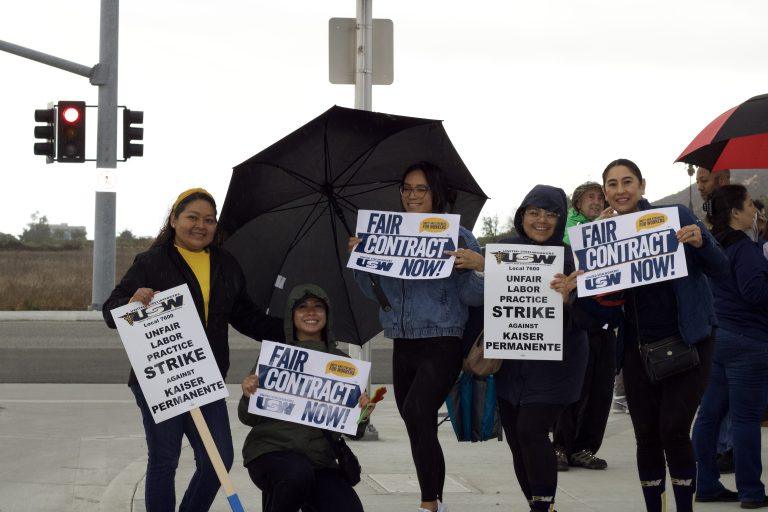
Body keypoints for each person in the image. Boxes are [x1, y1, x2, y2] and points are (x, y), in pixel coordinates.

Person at [102, 188, 283, 512]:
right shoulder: (151, 262)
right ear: (174, 220)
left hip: (205, 379)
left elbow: (247, 317)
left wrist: (293, 329)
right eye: (192, 217)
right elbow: (111, 312)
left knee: (219, 460)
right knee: (165, 459)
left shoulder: (226, 264)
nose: (201, 226)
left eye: (209, 220)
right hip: (160, 380)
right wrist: (130, 302)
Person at [349, 161, 485, 512]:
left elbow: (473, 297)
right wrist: (361, 260)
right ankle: (434, 500)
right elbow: (373, 292)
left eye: (420, 188)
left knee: (417, 410)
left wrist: (477, 267)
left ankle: (428, 503)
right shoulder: (387, 237)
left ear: (435, 192)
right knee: (416, 422)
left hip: (443, 339)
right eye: (407, 189)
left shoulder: (458, 236)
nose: (412, 195)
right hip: (402, 340)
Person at [597, 159, 728, 512]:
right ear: (605, 191)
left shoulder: (676, 216)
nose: (621, 190)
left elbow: (721, 268)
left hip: (689, 341)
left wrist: (700, 243)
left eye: (627, 181)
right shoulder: (602, 236)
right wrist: (583, 279)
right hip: (637, 349)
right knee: (646, 436)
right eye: (612, 184)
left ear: (642, 185)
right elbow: (599, 307)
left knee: (673, 430)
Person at [239, 284, 373, 512]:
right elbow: (247, 418)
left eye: (318, 306)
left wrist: (362, 414)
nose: (311, 312)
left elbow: (354, 432)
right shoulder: (275, 356)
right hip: (270, 451)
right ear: (291, 315)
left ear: (327, 315)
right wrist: (248, 394)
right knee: (297, 474)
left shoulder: (344, 364)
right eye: (302, 307)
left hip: (320, 461)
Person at [495, 184, 588, 511]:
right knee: (518, 441)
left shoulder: (572, 258)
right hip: (512, 366)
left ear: (561, 220)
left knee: (531, 431)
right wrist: (480, 268)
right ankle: (541, 506)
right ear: (522, 216)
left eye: (551, 214)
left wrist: (569, 299)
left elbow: (591, 317)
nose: (542, 220)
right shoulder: (501, 252)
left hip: (558, 366)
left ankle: (542, 506)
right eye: (534, 212)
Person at [692, 184, 768, 508]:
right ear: (736, 212)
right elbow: (755, 292)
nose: (756, 211)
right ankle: (751, 491)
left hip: (717, 338)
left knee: (709, 415)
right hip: (748, 340)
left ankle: (705, 483)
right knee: (746, 419)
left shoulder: (713, 246)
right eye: (750, 205)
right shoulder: (746, 249)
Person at [554, 182, 616, 471]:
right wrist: (598, 230)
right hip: (576, 324)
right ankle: (560, 446)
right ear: (577, 203)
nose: (596, 201)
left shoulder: (613, 227)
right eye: (590, 197)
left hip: (606, 322)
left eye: (601, 197)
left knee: (601, 391)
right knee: (573, 388)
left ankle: (585, 448)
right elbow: (576, 248)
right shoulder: (568, 229)